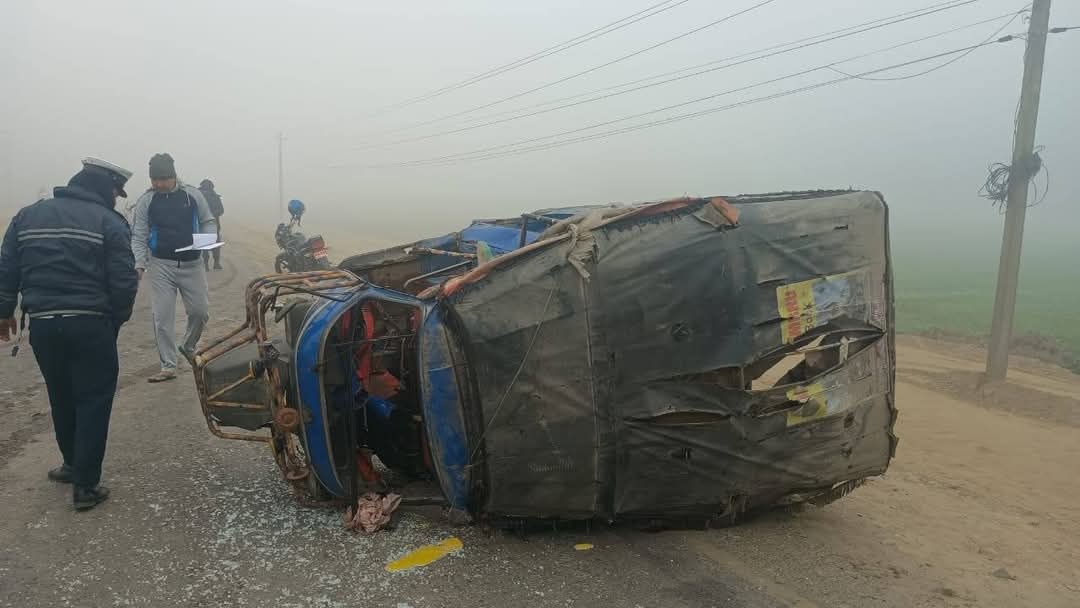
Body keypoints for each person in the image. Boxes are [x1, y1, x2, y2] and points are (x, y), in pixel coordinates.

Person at [0, 157, 138, 511]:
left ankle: (72, 465)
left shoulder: (27, 216)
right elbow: (124, 281)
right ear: (105, 188)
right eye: (115, 192)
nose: (116, 199)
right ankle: (86, 486)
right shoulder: (109, 222)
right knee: (93, 400)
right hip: (91, 325)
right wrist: (115, 320)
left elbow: (7, 268)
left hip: (44, 326)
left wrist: (4, 313)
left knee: (61, 395)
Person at [130, 153, 217, 383]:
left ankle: (187, 345)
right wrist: (139, 263)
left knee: (200, 312)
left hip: (193, 264)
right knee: (162, 317)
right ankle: (168, 365)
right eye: (154, 180)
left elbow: (208, 221)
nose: (159, 184)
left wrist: (206, 241)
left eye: (163, 179)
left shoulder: (192, 195)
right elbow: (139, 234)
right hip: (161, 266)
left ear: (174, 176)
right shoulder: (146, 200)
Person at [199, 179, 224, 271]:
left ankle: (206, 264)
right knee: (215, 244)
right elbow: (221, 210)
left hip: (203, 224)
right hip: (212, 224)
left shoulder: (198, 195)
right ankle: (215, 263)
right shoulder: (215, 196)